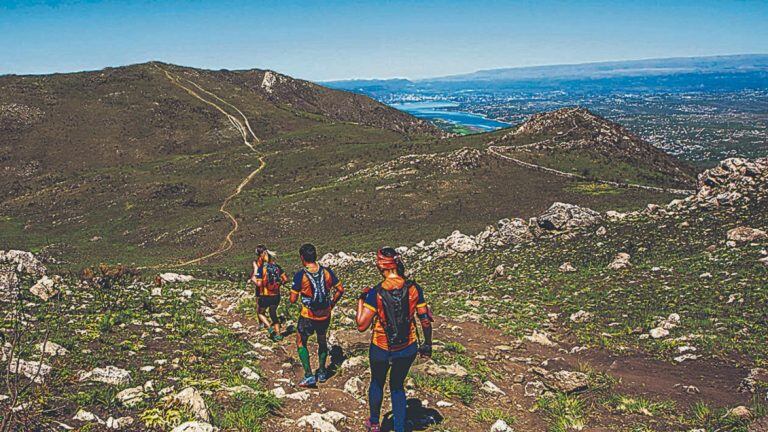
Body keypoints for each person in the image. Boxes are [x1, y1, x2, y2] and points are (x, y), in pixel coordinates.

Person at [356, 247, 433, 432]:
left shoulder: (376, 293)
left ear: (381, 266)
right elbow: (425, 320)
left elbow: (361, 325)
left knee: (377, 382)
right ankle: (399, 428)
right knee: (397, 386)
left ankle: (374, 423)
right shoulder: (414, 288)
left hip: (381, 347)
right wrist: (427, 344)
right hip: (407, 347)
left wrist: (360, 300)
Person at [290, 243, 344, 387]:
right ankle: (321, 372)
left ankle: (308, 375)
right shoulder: (327, 272)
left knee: (301, 342)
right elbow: (340, 289)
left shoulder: (300, 275)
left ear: (302, 257)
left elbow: (293, 299)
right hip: (325, 315)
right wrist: (332, 304)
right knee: (322, 341)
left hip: (308, 315)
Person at [249, 245, 288, 341]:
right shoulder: (277, 267)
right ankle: (278, 335)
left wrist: (255, 280)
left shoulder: (261, 268)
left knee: (260, 312)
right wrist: (279, 284)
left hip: (264, 295)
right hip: (276, 295)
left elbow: (258, 283)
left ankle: (270, 329)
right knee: (273, 314)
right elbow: (285, 279)